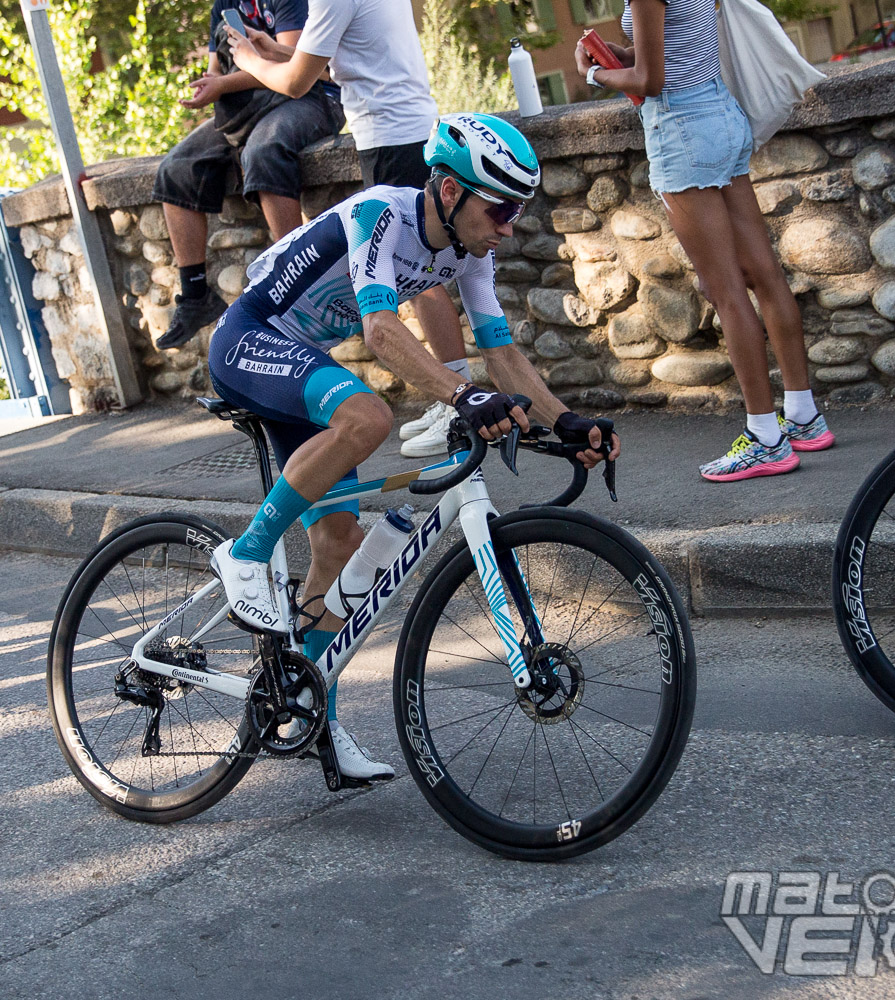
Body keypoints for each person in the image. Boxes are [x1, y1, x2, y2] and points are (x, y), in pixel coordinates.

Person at [206, 114, 619, 779]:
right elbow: (379, 329)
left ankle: (317, 716)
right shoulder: (382, 216)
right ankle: (246, 551)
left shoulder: (466, 249)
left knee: (338, 545)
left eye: (517, 210)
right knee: (368, 415)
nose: (510, 225)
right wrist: (460, 396)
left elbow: (501, 351)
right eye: (501, 208)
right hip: (248, 340)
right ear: (451, 192)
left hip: (299, 359)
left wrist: (568, 421)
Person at [576, 0, 831, 482]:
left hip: (683, 128)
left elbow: (651, 83)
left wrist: (596, 77)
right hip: (721, 113)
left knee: (725, 289)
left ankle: (764, 439)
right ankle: (802, 415)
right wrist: (621, 54)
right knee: (764, 272)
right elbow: (680, 46)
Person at [226, 0, 469, 459]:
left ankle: (455, 402)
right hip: (409, 128)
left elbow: (296, 84)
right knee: (421, 271)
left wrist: (249, 60)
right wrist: (273, 52)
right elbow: (329, 66)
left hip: (391, 134)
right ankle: (454, 396)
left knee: (422, 276)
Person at [154, 0, 345, 350]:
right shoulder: (223, 5)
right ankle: (196, 295)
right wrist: (210, 84)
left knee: (264, 152)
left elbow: (294, 65)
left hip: (310, 96)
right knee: (177, 167)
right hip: (248, 102)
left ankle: (299, 282)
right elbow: (218, 68)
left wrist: (224, 85)